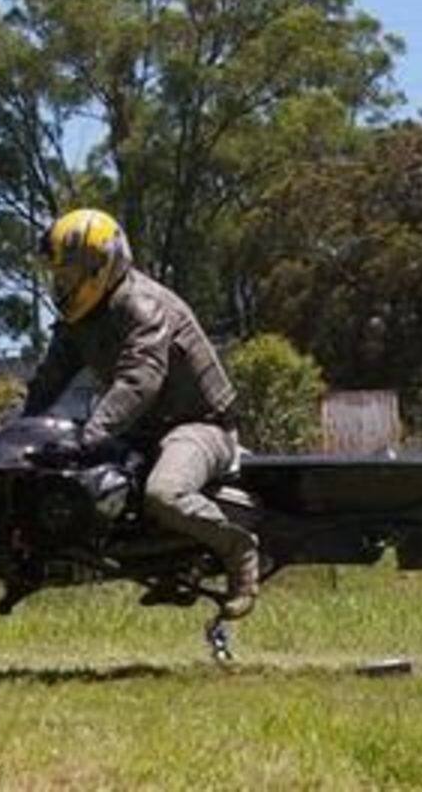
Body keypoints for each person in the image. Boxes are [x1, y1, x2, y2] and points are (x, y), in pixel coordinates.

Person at [21, 208, 259, 619]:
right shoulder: (80, 319)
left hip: (201, 425)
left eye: (69, 273)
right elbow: (47, 382)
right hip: (141, 431)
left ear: (100, 267)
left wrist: (90, 436)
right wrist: (14, 437)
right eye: (58, 275)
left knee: (163, 495)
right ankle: (169, 566)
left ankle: (240, 552)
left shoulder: (142, 306)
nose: (61, 285)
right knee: (91, 490)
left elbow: (139, 380)